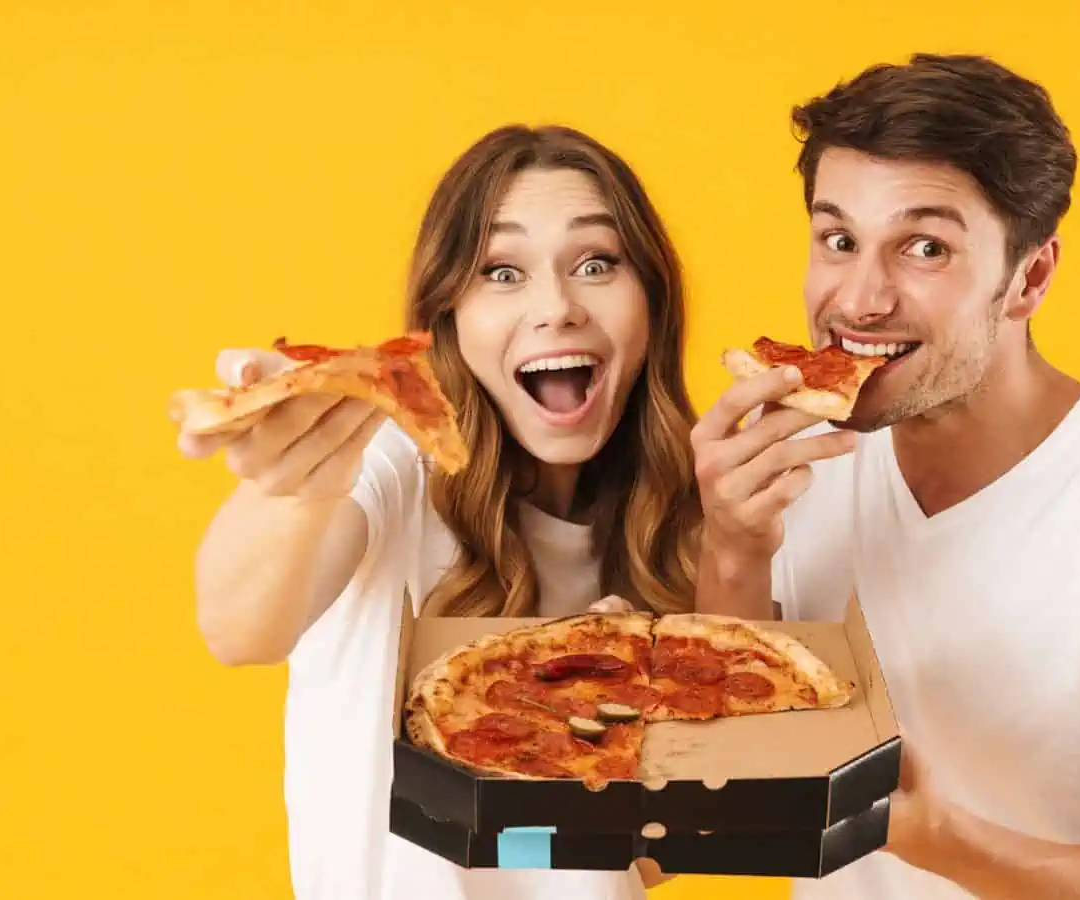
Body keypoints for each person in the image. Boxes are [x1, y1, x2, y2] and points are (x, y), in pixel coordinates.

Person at [692, 54, 1080, 899]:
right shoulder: (797, 466)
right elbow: (735, 781)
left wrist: (942, 841)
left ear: (1030, 277)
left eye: (924, 247)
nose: (859, 299)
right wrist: (735, 548)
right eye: (839, 240)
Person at [174, 124, 698, 900]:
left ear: (651, 300)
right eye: (502, 271)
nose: (557, 307)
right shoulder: (393, 464)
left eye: (596, 264)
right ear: (447, 315)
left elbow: (649, 861)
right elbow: (239, 628)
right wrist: (291, 485)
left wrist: (594, 730)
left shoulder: (682, 522)